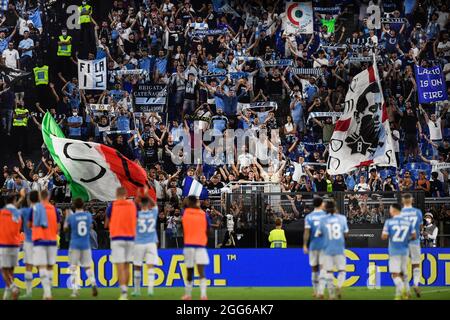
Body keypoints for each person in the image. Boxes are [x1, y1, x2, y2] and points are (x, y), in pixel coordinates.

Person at [105, 187, 137, 300]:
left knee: (119, 265)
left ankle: (123, 292)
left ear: (116, 194)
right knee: (127, 265)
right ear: (126, 194)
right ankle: (126, 291)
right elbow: (135, 220)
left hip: (117, 238)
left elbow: (106, 225)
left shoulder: (112, 206)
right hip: (130, 238)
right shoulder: (132, 206)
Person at [64, 198, 98, 298]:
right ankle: (93, 283)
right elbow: (90, 226)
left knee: (73, 267)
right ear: (83, 205)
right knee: (87, 267)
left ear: (74, 206)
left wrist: (67, 217)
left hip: (75, 244)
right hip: (86, 244)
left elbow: (65, 228)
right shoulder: (88, 216)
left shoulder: (72, 217)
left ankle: (75, 290)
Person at [382, 203, 416, 300]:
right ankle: (406, 292)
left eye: (390, 209)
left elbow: (383, 236)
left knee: (395, 274)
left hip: (394, 251)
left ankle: (402, 289)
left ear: (394, 210)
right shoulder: (408, 222)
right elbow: (414, 236)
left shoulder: (389, 222)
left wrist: (391, 235)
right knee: (404, 273)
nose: (390, 211)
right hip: (405, 250)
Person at [29, 190, 59, 300]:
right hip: (52, 240)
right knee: (50, 266)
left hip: (39, 240)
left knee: (41, 266)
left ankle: (47, 293)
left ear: (40, 197)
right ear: (49, 196)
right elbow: (58, 225)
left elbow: (29, 224)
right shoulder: (54, 209)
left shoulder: (35, 208)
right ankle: (47, 293)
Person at [317, 199, 348, 300]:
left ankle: (331, 295)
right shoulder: (342, 218)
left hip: (327, 248)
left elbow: (318, 234)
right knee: (342, 270)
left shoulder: (323, 219)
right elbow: (346, 233)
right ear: (335, 208)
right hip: (339, 248)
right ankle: (339, 286)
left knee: (328, 272)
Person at [181, 195, 210, 300]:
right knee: (201, 271)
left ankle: (188, 295)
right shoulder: (204, 215)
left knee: (189, 271)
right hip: (201, 246)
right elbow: (208, 230)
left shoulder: (185, 213)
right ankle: (203, 295)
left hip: (188, 245)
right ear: (196, 203)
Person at [132, 196, 159, 297]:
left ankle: (137, 290)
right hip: (151, 243)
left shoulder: (137, 215)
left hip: (139, 243)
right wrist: (147, 196)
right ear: (148, 205)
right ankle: (150, 290)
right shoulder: (153, 213)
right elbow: (155, 205)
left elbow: (131, 207)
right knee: (150, 266)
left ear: (140, 205)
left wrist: (138, 197)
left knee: (137, 266)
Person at [400, 193, 423, 298]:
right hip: (415, 241)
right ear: (412, 200)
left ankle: (407, 289)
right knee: (416, 264)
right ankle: (416, 284)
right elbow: (421, 227)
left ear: (403, 201)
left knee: (403, 266)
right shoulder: (418, 212)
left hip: (404, 242)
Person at [303, 196, 326, 298]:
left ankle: (315, 291)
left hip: (313, 245)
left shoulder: (309, 217)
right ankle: (321, 291)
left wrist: (304, 245)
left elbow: (306, 232)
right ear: (321, 204)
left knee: (314, 269)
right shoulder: (326, 216)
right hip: (324, 246)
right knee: (322, 268)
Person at [0, 194, 22, 300]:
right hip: (15, 245)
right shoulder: (18, 213)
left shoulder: (2, 212)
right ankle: (7, 295)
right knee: (11, 271)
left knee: (4, 269)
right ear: (14, 200)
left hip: (4, 244)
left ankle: (13, 288)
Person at [18, 189, 34, 299]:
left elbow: (13, 211)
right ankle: (48, 293)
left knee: (28, 267)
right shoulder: (42, 210)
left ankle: (29, 293)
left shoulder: (25, 211)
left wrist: (22, 197)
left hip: (29, 242)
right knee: (43, 267)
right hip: (41, 242)